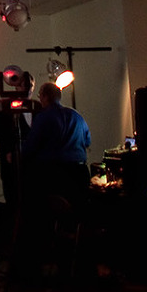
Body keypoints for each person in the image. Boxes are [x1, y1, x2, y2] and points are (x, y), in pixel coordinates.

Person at [21, 81, 91, 210]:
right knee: (79, 212)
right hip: (81, 173)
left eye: (40, 95)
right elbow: (87, 142)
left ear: (45, 97)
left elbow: (31, 146)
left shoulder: (43, 118)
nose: (39, 99)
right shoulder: (77, 116)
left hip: (55, 176)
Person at [0, 71, 39, 211]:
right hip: (9, 164)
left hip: (32, 165)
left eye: (30, 86)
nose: (27, 89)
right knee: (12, 199)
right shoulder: (4, 107)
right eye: (23, 85)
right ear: (16, 87)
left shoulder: (37, 108)